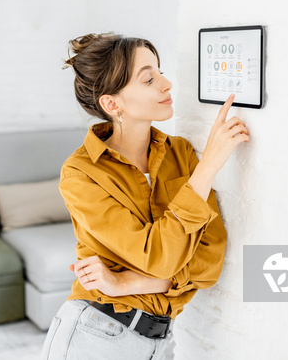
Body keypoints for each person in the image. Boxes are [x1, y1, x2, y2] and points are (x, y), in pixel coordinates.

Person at [42, 33, 249, 360]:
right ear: (112, 104)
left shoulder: (180, 153)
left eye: (160, 72)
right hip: (94, 334)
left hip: (158, 341)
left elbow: (208, 265)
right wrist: (209, 164)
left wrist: (125, 284)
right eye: (149, 78)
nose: (167, 84)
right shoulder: (81, 174)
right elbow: (161, 257)